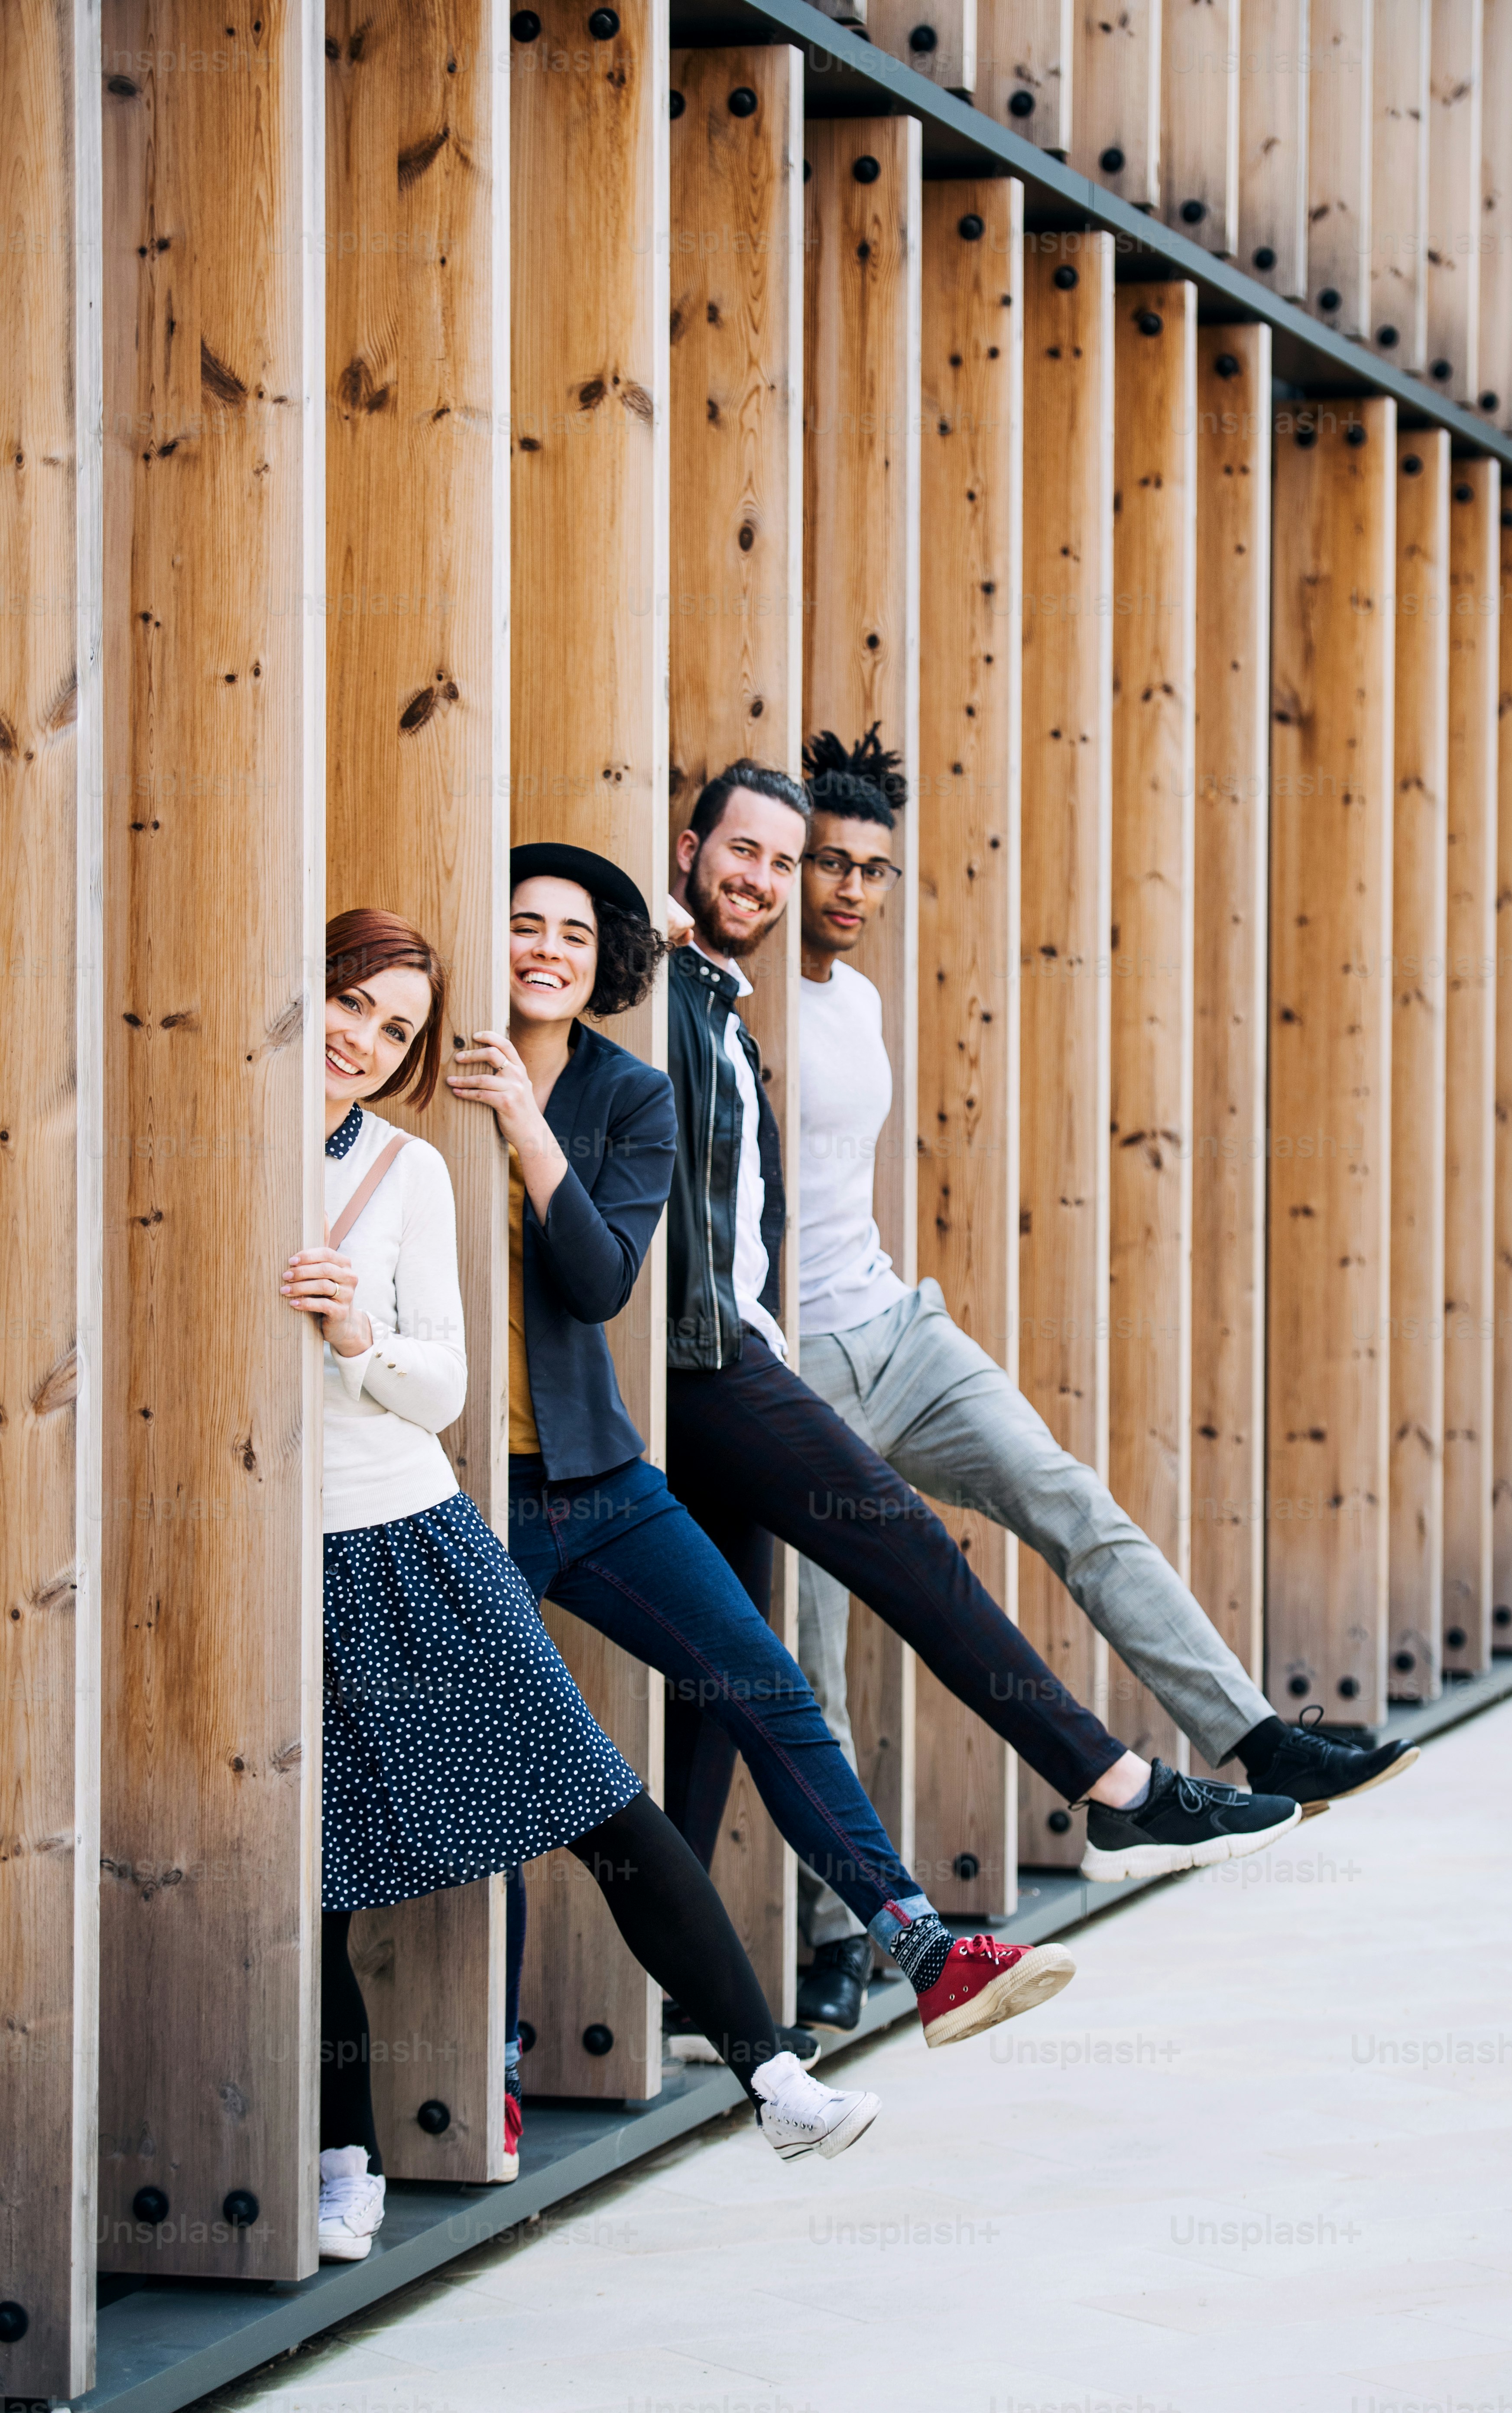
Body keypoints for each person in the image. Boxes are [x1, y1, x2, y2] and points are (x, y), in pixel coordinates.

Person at [784, 728, 1420, 2029]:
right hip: (786, 1373)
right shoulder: (724, 994)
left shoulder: (858, 1000)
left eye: (875, 870)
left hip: (898, 1334)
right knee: (811, 1653)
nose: (851, 890)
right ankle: (843, 1935)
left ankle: (1256, 1739)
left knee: (1069, 1497)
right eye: (829, 865)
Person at [288, 911, 881, 2265]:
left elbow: (442, 1383)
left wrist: (359, 1335)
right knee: (309, 1870)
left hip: (411, 1536)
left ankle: (771, 2077)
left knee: (595, 1800)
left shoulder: (406, 1172)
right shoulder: (222, 1149)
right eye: (349, 1005)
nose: (364, 1043)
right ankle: (343, 2160)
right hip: (265, 1560)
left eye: (393, 1029)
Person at [444, 844, 1080, 2071]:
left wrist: (529, 1127)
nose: (546, 952)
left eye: (574, 936)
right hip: (467, 1502)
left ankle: (926, 1948)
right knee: (520, 1783)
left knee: (765, 1683)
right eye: (523, 926)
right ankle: (492, 2064)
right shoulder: (432, 1078)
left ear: (604, 964)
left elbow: (598, 1280)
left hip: (599, 1478)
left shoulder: (626, 1097)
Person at [645, 767, 1307, 1938]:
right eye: (748, 853)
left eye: (786, 863)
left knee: (731, 1689)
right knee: (898, 1562)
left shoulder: (723, 1006)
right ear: (687, 848)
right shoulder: (657, 988)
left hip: (759, 1349)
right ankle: (1117, 1794)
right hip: (713, 1370)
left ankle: (752, 2011)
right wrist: (642, 933)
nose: (768, 879)